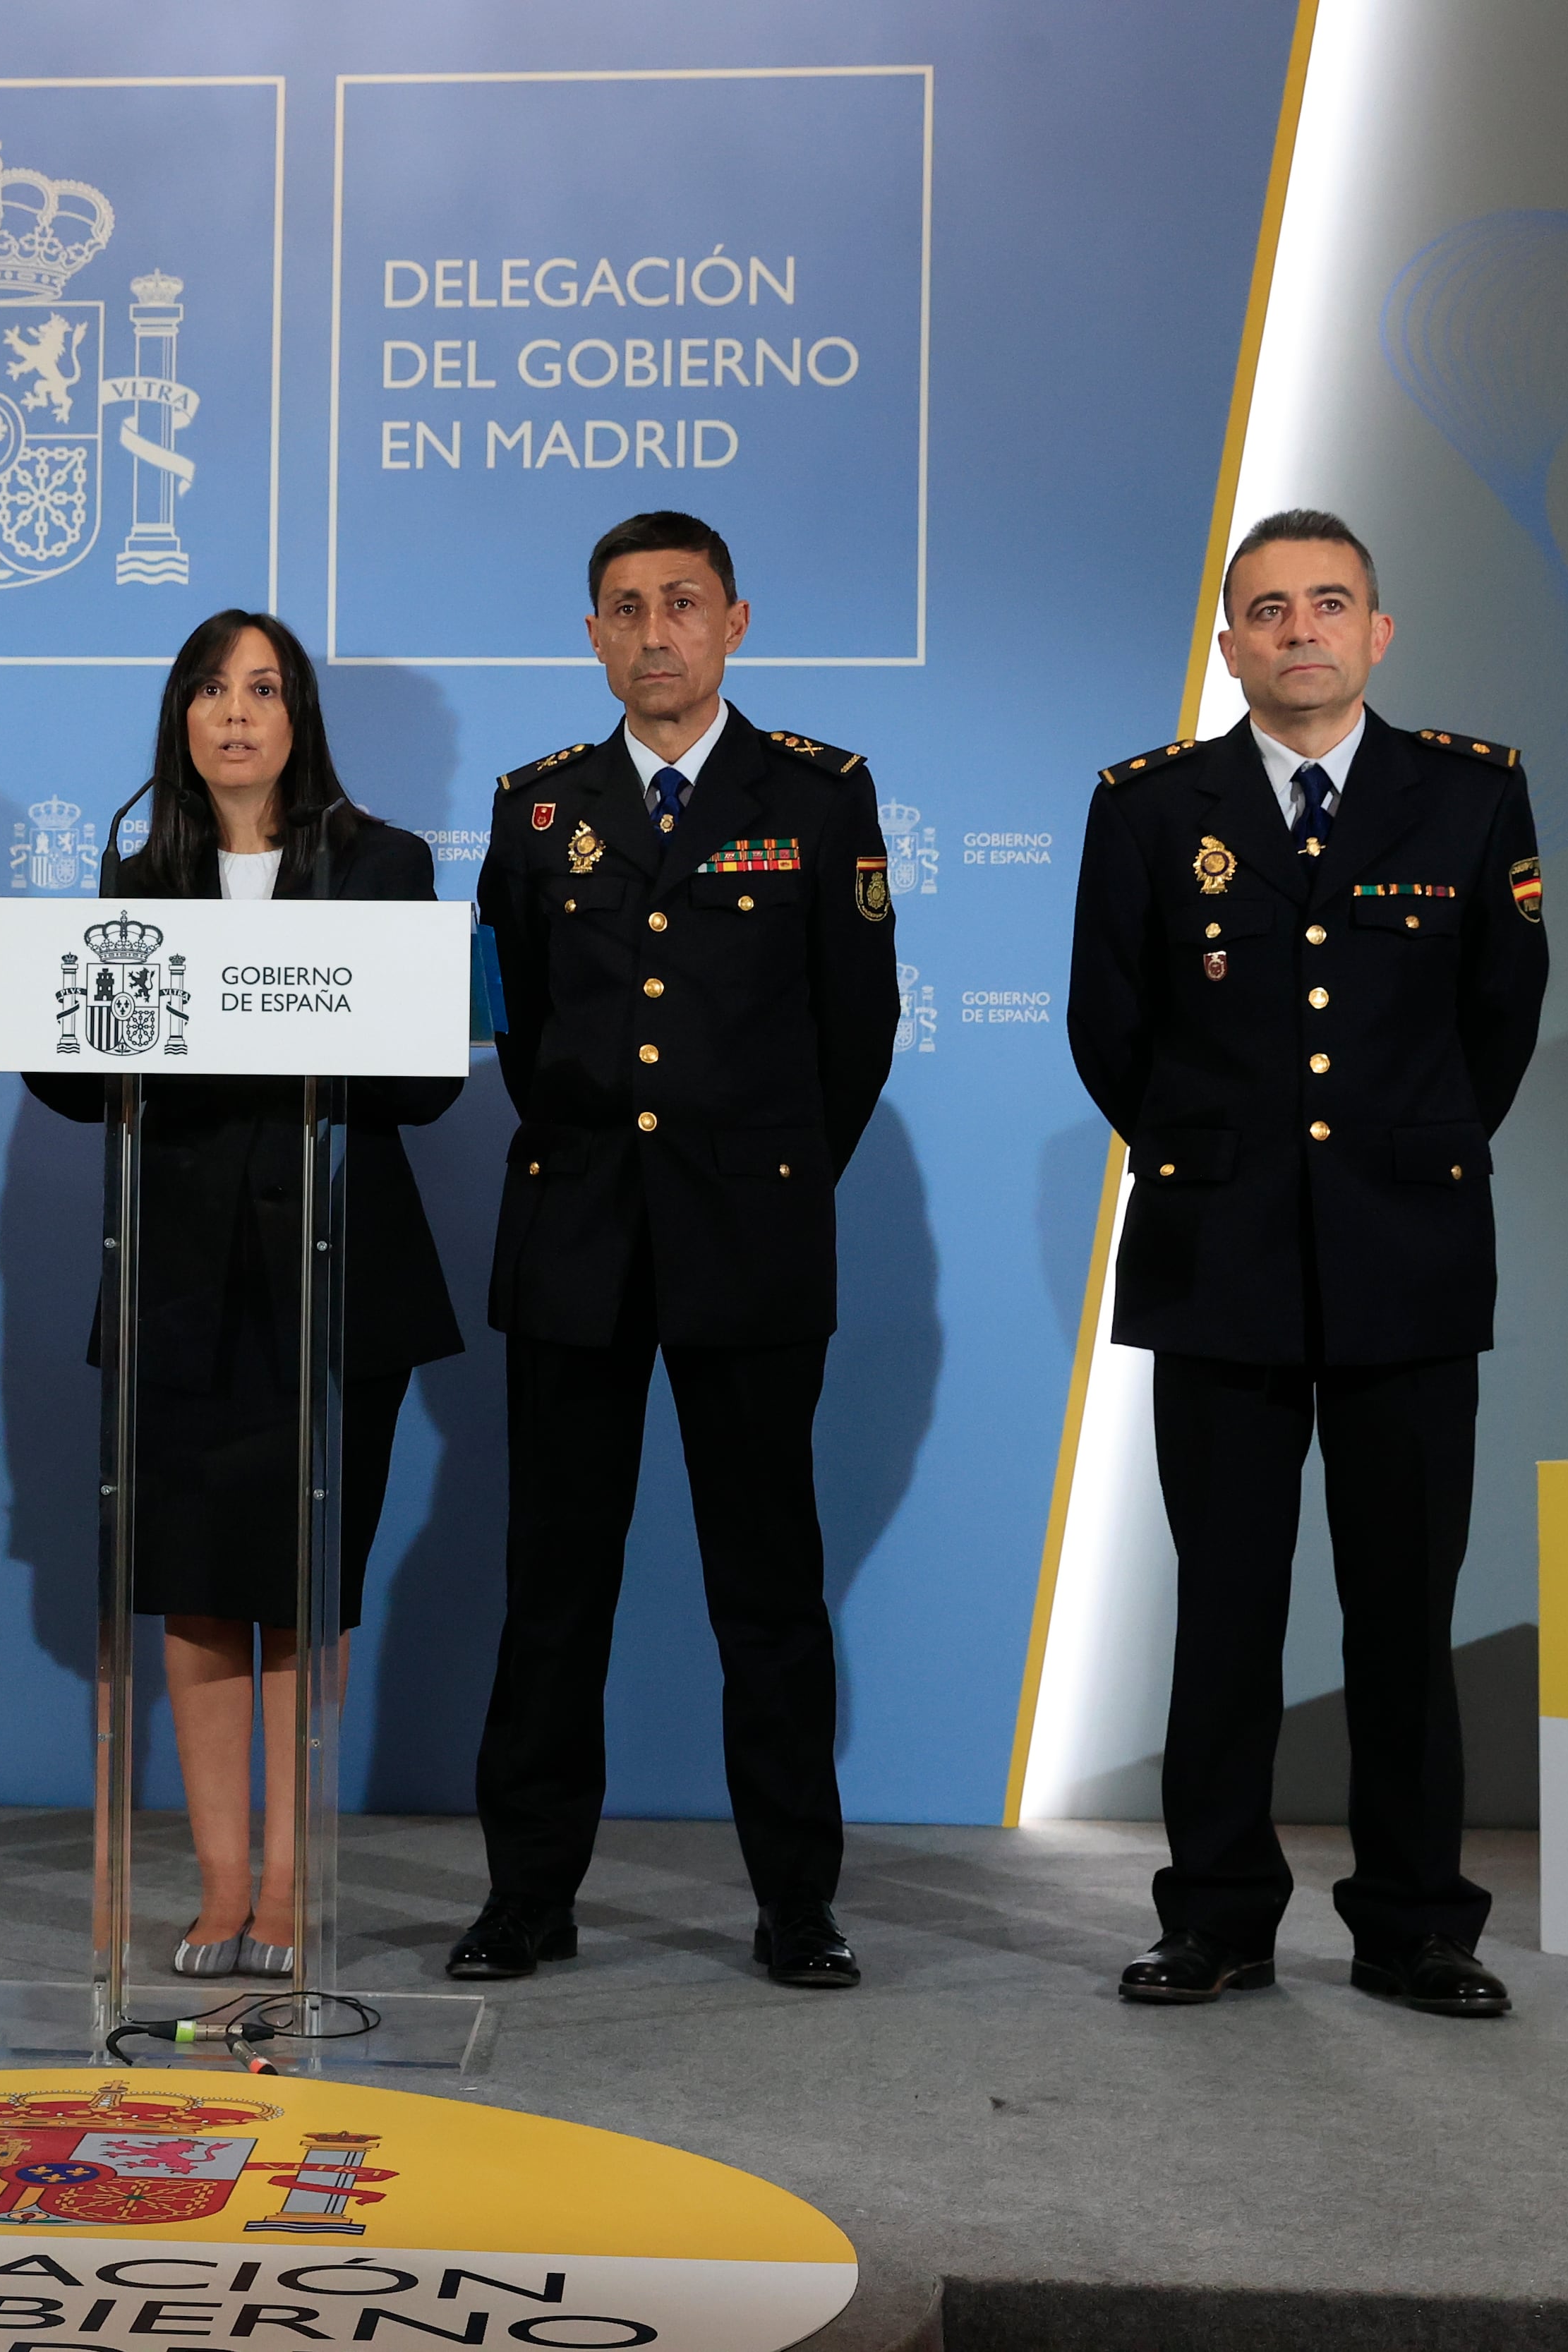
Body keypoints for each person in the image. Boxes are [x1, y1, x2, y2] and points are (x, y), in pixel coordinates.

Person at [1064, 507, 1547, 2018]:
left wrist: (1397, 1155)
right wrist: (1218, 1154)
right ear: (1229, 643)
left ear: (1376, 631)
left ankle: (1415, 1922)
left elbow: (1501, 1014)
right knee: (1226, 1602)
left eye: (1327, 603)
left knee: (1405, 1604)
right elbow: (1110, 1026)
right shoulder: (1149, 804)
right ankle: (1214, 1915)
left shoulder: (1468, 795)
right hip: (1219, 1252)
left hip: (1407, 1255)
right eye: (1266, 609)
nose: (1298, 630)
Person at [455, 512, 898, 1991]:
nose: (655, 632)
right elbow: (518, 1025)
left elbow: (856, 1032)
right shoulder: (536, 808)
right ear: (591, 634)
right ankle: (528, 1893)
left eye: (682, 605)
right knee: (551, 1586)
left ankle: (796, 1899)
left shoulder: (819, 798)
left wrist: (756, 1178)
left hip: (751, 1238)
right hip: (576, 1233)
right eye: (626, 609)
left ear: (734, 622)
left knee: (765, 1589)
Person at [25, 610, 464, 1977]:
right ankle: (219, 1889)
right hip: (178, 1283)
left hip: (339, 1275)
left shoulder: (383, 863)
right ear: (180, 717)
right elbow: (72, 1074)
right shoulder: (136, 869)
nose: (235, 714)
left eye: (262, 690)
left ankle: (288, 1888)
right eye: (211, 690)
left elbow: (425, 1079)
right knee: (199, 1591)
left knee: (302, 1588)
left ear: (300, 717)